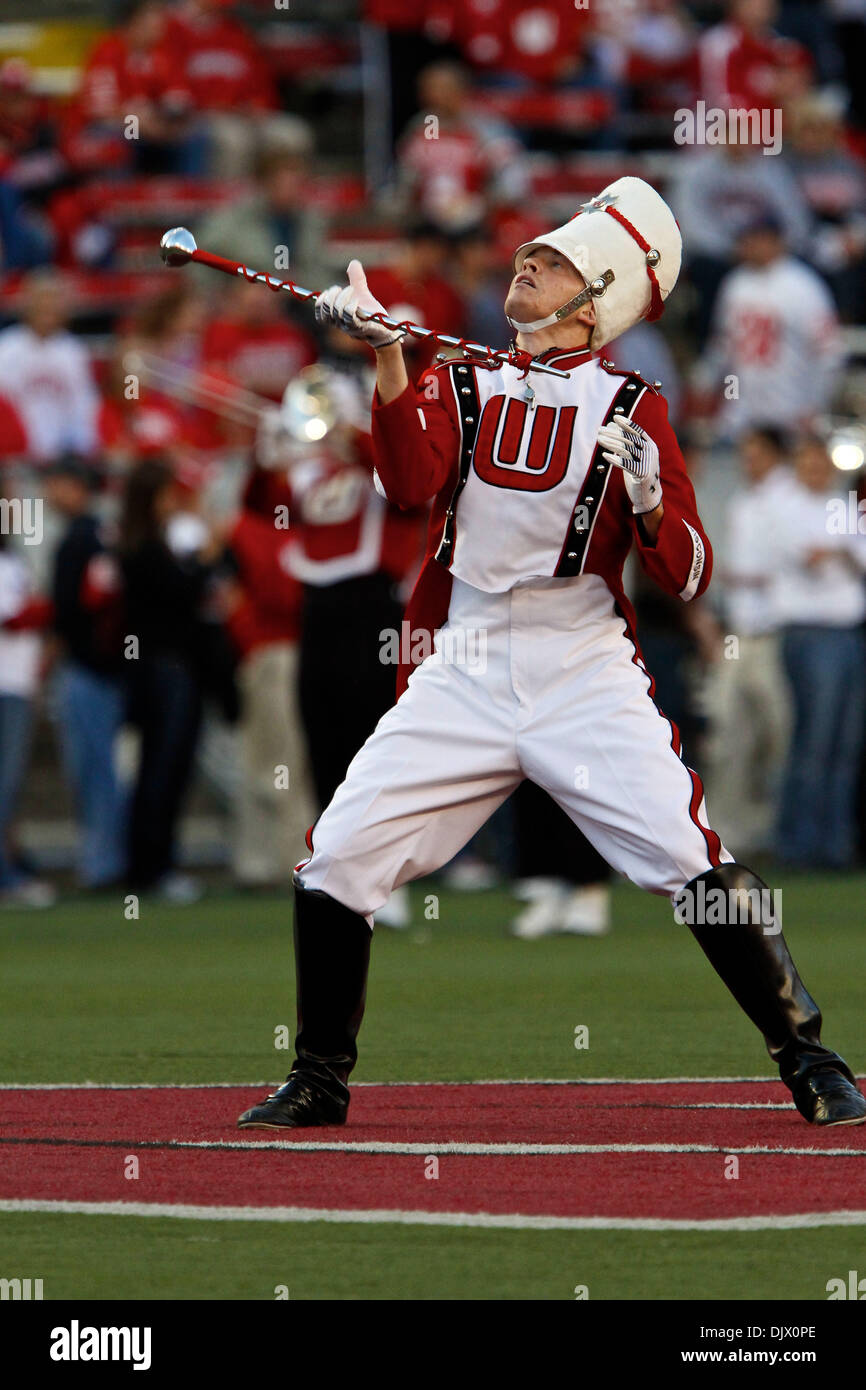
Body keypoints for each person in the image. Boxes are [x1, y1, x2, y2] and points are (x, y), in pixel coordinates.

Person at [238, 176, 865, 1133]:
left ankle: (809, 1057)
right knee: (338, 856)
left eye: (550, 263)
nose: (523, 268)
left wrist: (654, 502)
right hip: (469, 656)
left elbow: (692, 575)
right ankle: (320, 1077)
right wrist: (388, 360)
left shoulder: (637, 404)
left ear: (595, 295)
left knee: (692, 860)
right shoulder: (458, 373)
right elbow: (407, 486)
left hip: (583, 661)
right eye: (527, 258)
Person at [117, 457, 220, 901]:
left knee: (167, 767)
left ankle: (154, 863)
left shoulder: (147, 543)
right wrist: (204, 562)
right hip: (165, 668)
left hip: (169, 668)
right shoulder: (141, 547)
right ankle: (152, 865)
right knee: (163, 767)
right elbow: (177, 594)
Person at [771, 435, 866, 868]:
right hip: (809, 633)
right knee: (814, 741)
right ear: (798, 467)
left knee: (845, 744)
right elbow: (809, 558)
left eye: (821, 465)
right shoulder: (786, 507)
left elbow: (856, 559)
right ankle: (798, 844)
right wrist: (841, 552)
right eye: (808, 464)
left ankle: (835, 845)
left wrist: (839, 552)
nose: (816, 472)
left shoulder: (843, 508)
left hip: (849, 632)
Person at [703, 426, 792, 857]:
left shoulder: (789, 498)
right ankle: (728, 836)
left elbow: (793, 566)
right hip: (738, 632)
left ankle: (775, 831)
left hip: (775, 633)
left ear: (775, 453)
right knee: (729, 736)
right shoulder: (742, 501)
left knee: (777, 738)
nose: (746, 460)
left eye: (754, 451)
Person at [46, 455, 127, 889]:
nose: (50, 492)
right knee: (101, 769)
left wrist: (53, 652)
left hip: (88, 669)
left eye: (58, 483)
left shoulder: (80, 538)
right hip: (106, 668)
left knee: (93, 769)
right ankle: (105, 858)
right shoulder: (99, 533)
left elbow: (74, 610)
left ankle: (103, 864)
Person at [692, 215, 843, 439]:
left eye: (755, 239)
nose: (748, 245)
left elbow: (830, 353)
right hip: (740, 406)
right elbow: (724, 346)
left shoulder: (803, 285)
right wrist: (706, 382)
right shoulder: (736, 283)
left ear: (775, 241)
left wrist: (815, 404)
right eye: (746, 239)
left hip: (791, 407)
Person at [0, 270, 99, 462]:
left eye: (54, 302)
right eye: (41, 301)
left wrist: (85, 451)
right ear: (27, 305)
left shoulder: (74, 351)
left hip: (64, 458)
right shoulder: (6, 347)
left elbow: (84, 407)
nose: (47, 308)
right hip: (14, 457)